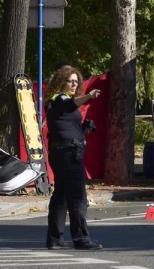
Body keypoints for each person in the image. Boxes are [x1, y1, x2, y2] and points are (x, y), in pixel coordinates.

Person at [45, 65, 102, 250]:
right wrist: (89, 96)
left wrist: (84, 128)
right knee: (78, 197)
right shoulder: (59, 98)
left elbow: (66, 126)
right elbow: (69, 104)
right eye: (71, 81)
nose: (74, 84)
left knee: (61, 196)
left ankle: (55, 239)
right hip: (68, 154)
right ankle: (81, 238)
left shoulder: (61, 101)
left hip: (64, 151)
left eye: (76, 82)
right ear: (62, 81)